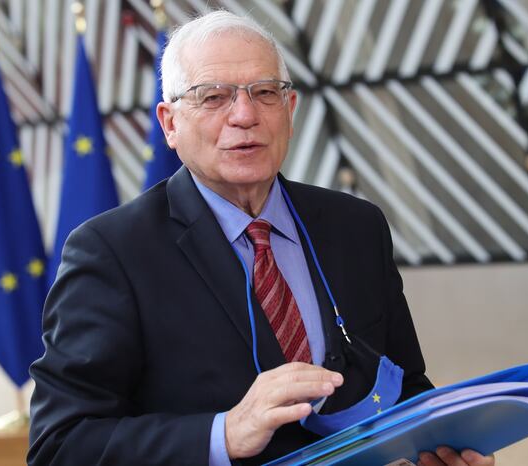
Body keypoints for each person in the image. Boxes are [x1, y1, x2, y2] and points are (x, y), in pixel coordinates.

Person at [28, 11, 495, 466]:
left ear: (289, 111)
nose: (245, 115)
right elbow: (60, 445)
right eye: (213, 97)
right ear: (170, 124)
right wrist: (224, 433)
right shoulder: (112, 252)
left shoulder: (357, 226)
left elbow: (404, 385)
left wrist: (441, 442)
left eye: (265, 92)